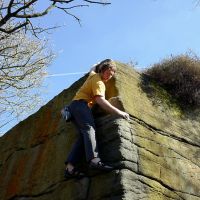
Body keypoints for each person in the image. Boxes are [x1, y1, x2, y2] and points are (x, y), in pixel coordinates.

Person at [64, 59, 130, 179]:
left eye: (111, 75)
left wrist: (98, 63)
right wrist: (119, 112)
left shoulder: (93, 75)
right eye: (108, 73)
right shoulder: (98, 82)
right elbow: (100, 101)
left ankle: (70, 168)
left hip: (74, 107)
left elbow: (93, 67)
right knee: (90, 129)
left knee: (83, 135)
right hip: (81, 106)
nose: (109, 77)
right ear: (103, 70)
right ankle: (94, 160)